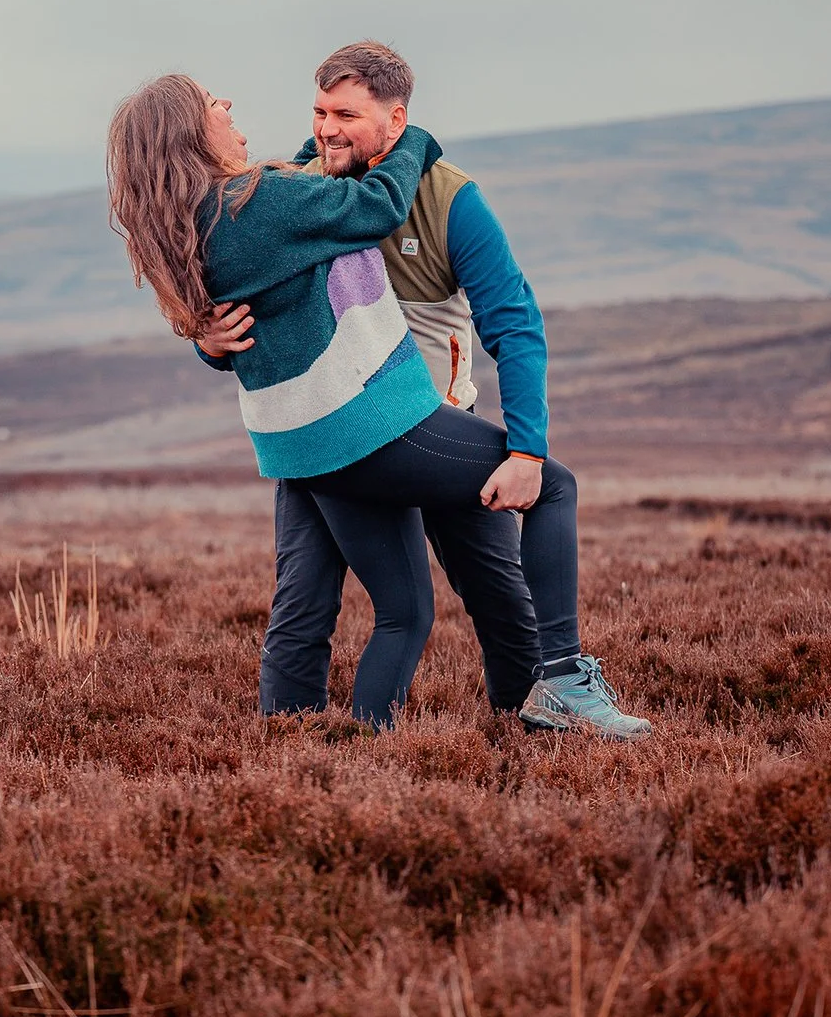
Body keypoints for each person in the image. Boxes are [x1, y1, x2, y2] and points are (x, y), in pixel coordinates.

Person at [105, 71, 648, 737]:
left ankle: (308, 751)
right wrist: (413, 135)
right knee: (549, 487)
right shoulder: (261, 201)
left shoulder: (209, 217)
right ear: (190, 132)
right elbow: (376, 207)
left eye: (341, 114)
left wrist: (208, 343)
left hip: (304, 442)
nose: (227, 103)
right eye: (210, 102)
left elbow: (251, 311)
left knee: (367, 607)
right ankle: (558, 685)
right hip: (375, 424)